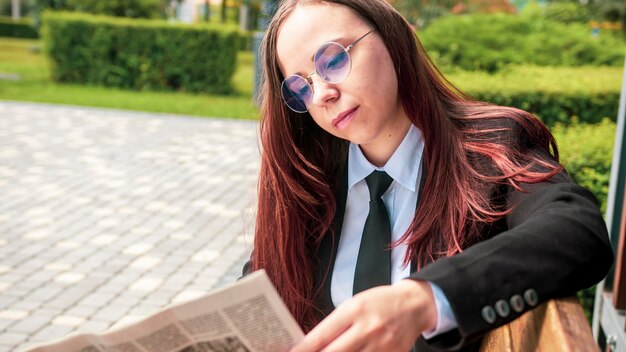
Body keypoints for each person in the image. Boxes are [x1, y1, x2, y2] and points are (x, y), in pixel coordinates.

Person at [242, 0, 614, 350]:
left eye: (334, 59)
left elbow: (576, 229)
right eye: (301, 86)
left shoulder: (491, 151)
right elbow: (263, 282)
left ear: (393, 37)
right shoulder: (309, 181)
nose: (322, 93)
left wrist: (425, 299)